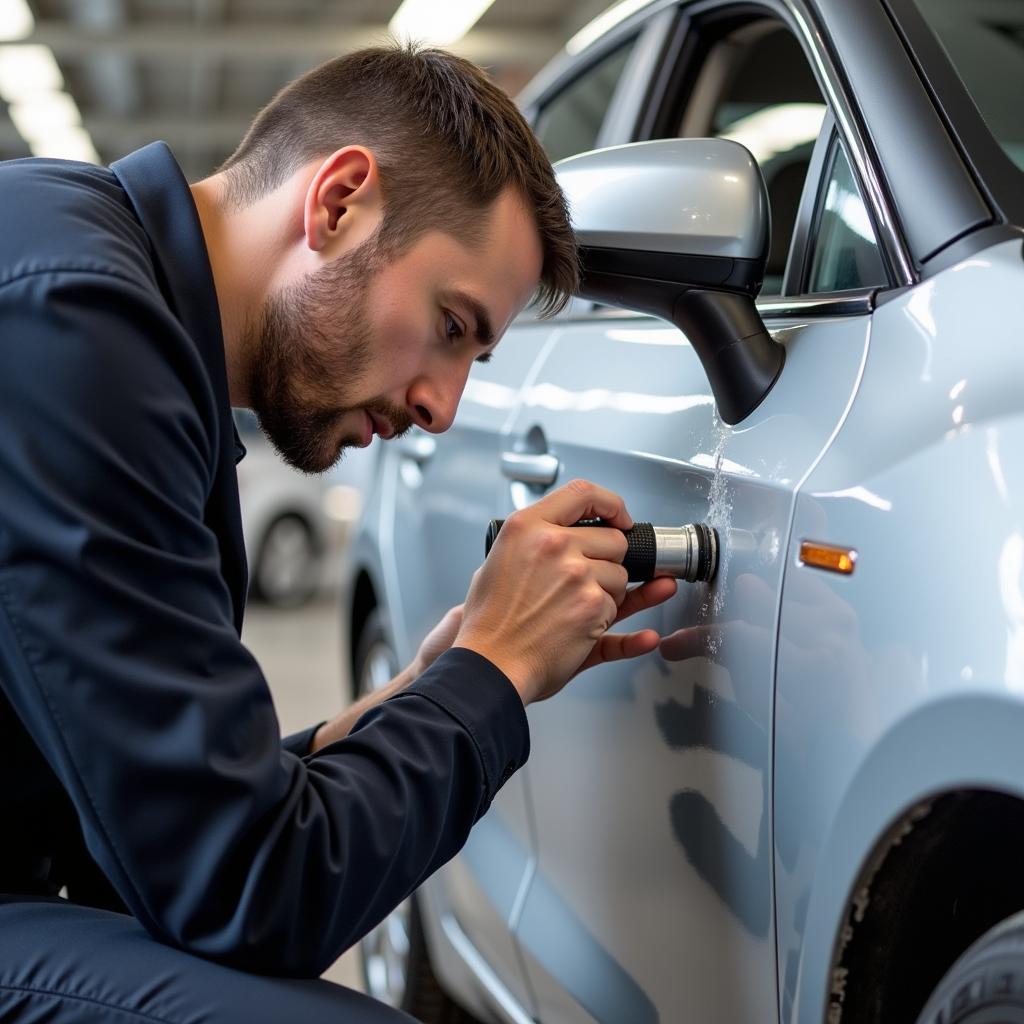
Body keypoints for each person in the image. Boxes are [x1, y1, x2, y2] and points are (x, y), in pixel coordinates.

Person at [0, 44, 678, 1022]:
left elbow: (145, 818)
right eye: (451, 325)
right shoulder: (73, 322)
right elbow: (244, 892)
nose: (444, 408)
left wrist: (417, 696)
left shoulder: (109, 303)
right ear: (339, 203)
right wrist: (490, 673)